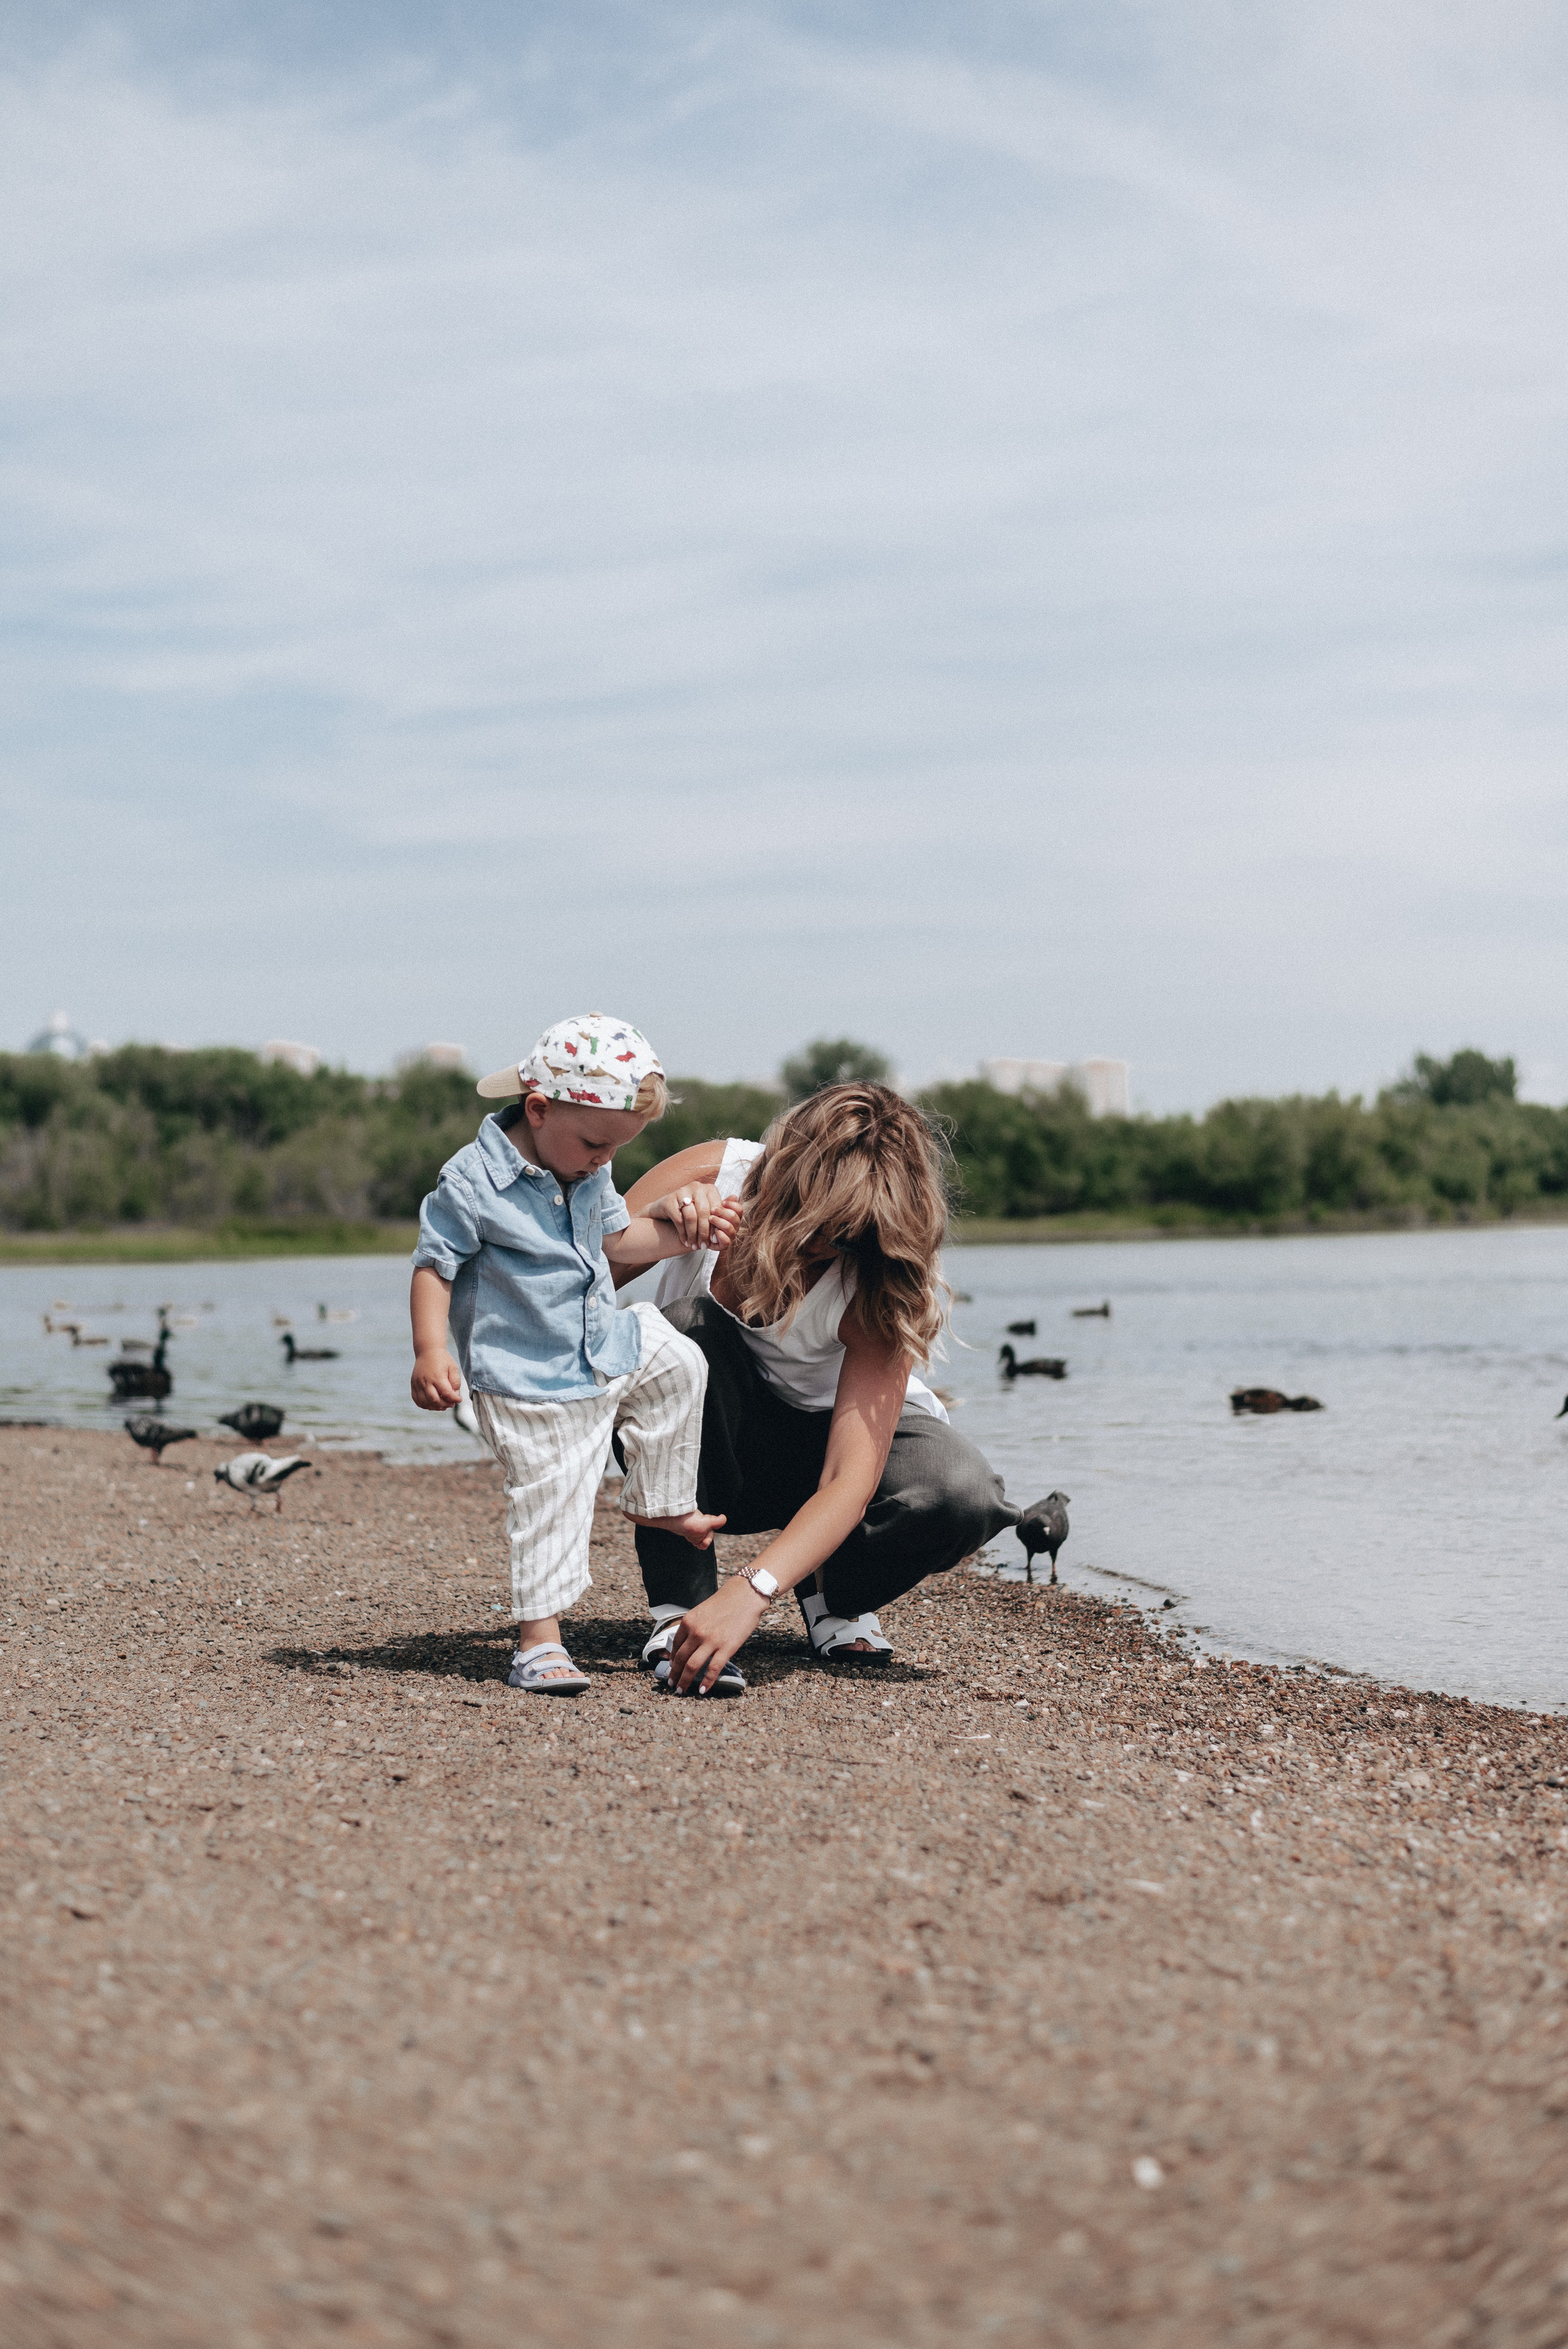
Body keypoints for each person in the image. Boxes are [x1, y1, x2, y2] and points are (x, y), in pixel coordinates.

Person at [617, 1083, 1025, 1695]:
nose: (827, 1250)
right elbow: (572, 1281)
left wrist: (752, 1591)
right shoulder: (714, 1170)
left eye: (849, 1235)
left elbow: (847, 1481)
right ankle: (681, 1612)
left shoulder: (877, 1271)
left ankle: (830, 1592)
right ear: (781, 1173)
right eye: (818, 1225)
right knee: (678, 1333)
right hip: (723, 1449)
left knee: (961, 1493)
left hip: (833, 1456)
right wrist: (663, 1225)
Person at [408, 1013, 741, 1696]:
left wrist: (688, 1236)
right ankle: (539, 1644)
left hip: (599, 1347)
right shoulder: (473, 1181)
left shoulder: (587, 1168)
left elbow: (616, 1247)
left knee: (680, 1360)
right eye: (595, 1144)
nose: (602, 1160)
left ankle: (659, 1500)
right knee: (554, 1498)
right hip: (526, 1377)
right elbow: (433, 1266)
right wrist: (430, 1351)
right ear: (537, 1109)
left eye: (614, 1150)